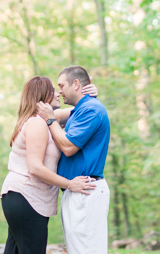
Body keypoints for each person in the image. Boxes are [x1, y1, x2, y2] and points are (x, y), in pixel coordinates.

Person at [0, 76, 96, 254]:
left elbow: (82, 111)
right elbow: (35, 168)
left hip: (21, 198)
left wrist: (87, 92)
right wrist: (69, 184)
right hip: (26, 197)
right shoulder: (37, 124)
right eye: (53, 90)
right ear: (42, 96)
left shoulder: (45, 119)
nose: (58, 92)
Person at [36, 66, 111, 254]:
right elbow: (53, 116)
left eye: (61, 85)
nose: (59, 91)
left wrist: (51, 120)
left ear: (76, 84)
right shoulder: (80, 110)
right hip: (77, 190)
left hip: (86, 190)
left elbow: (68, 147)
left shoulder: (91, 110)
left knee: (87, 249)